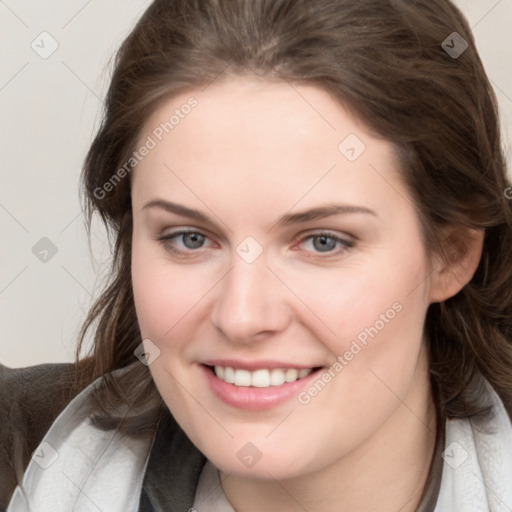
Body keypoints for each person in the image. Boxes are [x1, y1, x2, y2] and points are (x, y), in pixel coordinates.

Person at [3, 0, 512, 510]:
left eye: (322, 241)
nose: (242, 317)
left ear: (451, 253)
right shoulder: (17, 453)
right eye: (190, 238)